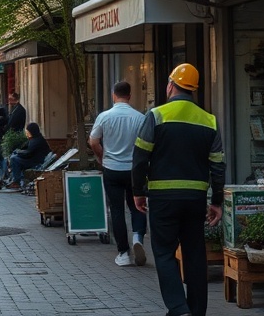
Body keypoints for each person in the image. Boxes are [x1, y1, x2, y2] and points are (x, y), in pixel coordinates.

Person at [133, 63, 225, 316]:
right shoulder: (209, 121)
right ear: (193, 90)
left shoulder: (156, 115)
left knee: (163, 251)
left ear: (171, 85)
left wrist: (138, 191)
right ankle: (196, 311)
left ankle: (178, 306)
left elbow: (140, 157)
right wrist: (216, 201)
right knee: (195, 253)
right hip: (195, 199)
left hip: (163, 198)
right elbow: (218, 165)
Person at [91, 80, 147, 267]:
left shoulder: (104, 117)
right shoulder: (140, 118)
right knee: (137, 206)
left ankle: (123, 253)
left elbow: (93, 141)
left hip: (112, 168)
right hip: (134, 170)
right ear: (129, 96)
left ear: (114, 95)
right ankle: (138, 236)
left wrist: (101, 155)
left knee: (116, 209)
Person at [4, 122, 51, 190]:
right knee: (14, 157)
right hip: (33, 159)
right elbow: (26, 149)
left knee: (14, 159)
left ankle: (16, 181)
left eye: (28, 132)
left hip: (35, 161)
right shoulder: (35, 138)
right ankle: (14, 179)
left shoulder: (36, 141)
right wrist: (18, 152)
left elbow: (28, 153)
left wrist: (18, 152)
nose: (27, 134)